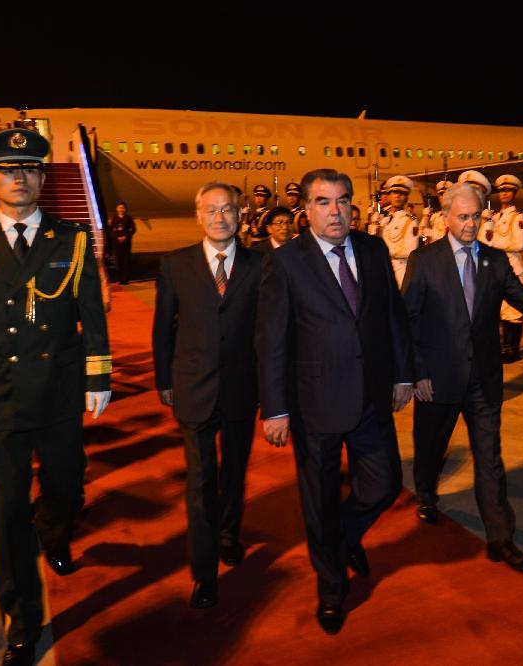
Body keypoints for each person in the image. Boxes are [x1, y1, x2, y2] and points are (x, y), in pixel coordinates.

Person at [0, 128, 111, 666]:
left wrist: (98, 377)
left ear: (41, 178)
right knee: (9, 510)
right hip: (0, 395)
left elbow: (91, 314)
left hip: (58, 391)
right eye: (8, 170)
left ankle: (55, 529)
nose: (19, 178)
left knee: (66, 488)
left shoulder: (74, 239)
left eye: (30, 169)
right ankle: (22, 618)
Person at [257, 169, 413, 635]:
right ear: (306, 210)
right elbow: (272, 340)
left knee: (383, 483)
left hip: (370, 394)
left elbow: (391, 315)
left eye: (343, 201)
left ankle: (343, 538)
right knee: (319, 500)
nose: (336, 211)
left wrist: (404, 373)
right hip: (314, 402)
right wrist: (276, 408)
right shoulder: (286, 262)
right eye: (324, 202)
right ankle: (330, 588)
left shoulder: (372, 248)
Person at [402, 182, 523, 566]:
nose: (471, 224)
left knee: (489, 458)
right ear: (446, 218)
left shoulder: (494, 260)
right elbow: (409, 322)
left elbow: (522, 298)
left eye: (476, 216)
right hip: (436, 379)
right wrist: (415, 373)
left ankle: (500, 537)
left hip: (483, 380)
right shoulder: (424, 261)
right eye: (463, 217)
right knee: (430, 446)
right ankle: (426, 494)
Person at [153, 181, 262, 608]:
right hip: (193, 387)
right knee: (201, 481)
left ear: (239, 215)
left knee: (235, 471)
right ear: (198, 216)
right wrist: (165, 379)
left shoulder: (259, 264)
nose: (220, 217)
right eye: (212, 210)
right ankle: (204, 571)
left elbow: (266, 330)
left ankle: (229, 535)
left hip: (240, 388)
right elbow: (163, 327)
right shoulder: (175, 264)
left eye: (228, 210)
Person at [478, 174, 523, 361]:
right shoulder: (495, 216)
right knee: (496, 308)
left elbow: (519, 243)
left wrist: (494, 242)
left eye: (508, 190)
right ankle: (500, 346)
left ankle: (511, 349)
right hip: (494, 267)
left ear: (514, 193)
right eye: (501, 191)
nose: (504, 194)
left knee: (512, 310)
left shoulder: (517, 217)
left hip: (511, 266)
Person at [376, 175, 419, 286]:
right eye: (394, 192)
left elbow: (411, 250)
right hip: (383, 269)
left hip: (401, 270)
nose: (398, 196)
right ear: (389, 196)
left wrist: (385, 252)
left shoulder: (411, 221)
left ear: (407, 198)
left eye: (403, 193)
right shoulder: (383, 221)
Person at [108, 201, 137, 284]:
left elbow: (133, 229)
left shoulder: (129, 218)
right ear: (117, 209)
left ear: (125, 209)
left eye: (123, 208)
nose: (121, 209)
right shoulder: (114, 218)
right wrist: (116, 237)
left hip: (126, 243)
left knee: (126, 260)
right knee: (118, 260)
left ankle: (125, 279)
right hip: (117, 243)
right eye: (120, 208)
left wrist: (125, 237)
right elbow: (110, 230)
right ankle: (119, 277)